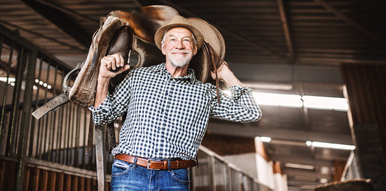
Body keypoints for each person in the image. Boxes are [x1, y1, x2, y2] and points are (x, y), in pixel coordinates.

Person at [90, 15, 262, 190]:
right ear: (163, 48)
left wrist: (226, 74)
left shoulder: (205, 93)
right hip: (129, 173)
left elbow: (251, 112)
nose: (179, 45)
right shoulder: (138, 77)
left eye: (186, 41)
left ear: (194, 49)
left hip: (174, 179)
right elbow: (102, 117)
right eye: (172, 39)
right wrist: (103, 79)